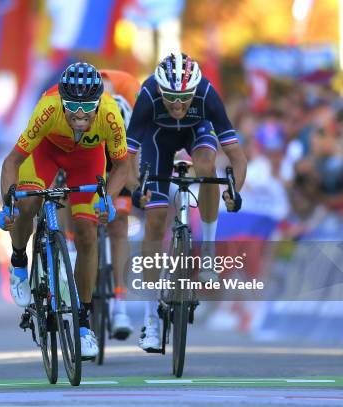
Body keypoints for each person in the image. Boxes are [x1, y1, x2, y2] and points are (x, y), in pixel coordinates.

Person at [0, 62, 129, 359]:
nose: (80, 114)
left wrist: (107, 199)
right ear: (62, 102)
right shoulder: (48, 108)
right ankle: (19, 262)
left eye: (87, 107)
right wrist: (9, 203)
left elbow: (123, 166)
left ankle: (83, 326)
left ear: (98, 103)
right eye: (72, 106)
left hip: (87, 161)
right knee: (27, 202)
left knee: (87, 233)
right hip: (46, 151)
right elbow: (12, 162)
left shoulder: (110, 114)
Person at [127, 52, 248, 352]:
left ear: (195, 90)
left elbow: (237, 157)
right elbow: (126, 158)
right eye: (170, 98)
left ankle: (207, 250)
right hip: (158, 142)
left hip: (198, 132)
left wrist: (234, 191)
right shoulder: (147, 95)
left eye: (184, 99)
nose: (178, 105)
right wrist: (134, 189)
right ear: (159, 91)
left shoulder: (207, 93)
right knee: (154, 223)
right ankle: (151, 320)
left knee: (207, 167)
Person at [98, 69, 142, 340]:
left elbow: (134, 161)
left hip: (122, 153)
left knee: (119, 224)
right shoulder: (76, 99)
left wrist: (141, 189)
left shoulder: (131, 90)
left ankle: (119, 305)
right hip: (85, 152)